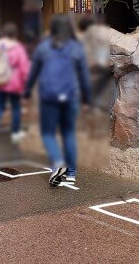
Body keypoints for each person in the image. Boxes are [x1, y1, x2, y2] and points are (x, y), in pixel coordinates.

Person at [24, 14, 91, 187]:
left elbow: (33, 73)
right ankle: (71, 173)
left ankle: (57, 162)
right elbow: (84, 76)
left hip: (50, 97)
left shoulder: (44, 47)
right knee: (69, 134)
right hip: (71, 96)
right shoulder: (77, 47)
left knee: (48, 133)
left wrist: (26, 91)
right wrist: (87, 99)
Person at [0, 22, 31, 144]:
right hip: (14, 81)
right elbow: (24, 68)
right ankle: (15, 133)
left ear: (2, 33)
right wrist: (27, 83)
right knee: (15, 107)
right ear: (15, 34)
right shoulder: (18, 47)